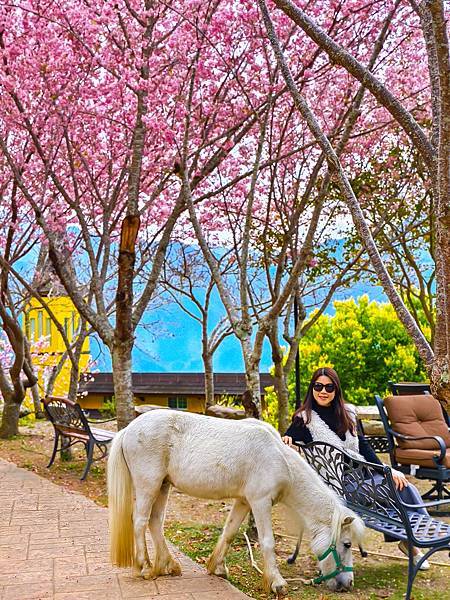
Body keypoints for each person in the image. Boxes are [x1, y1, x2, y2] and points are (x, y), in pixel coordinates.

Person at [282, 366, 430, 570]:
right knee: (395, 493)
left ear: (336, 390)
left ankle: (413, 540)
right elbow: (289, 437)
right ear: (312, 388)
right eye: (318, 386)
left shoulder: (348, 413)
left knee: (404, 487)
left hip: (363, 475)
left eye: (329, 387)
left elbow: (364, 448)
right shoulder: (304, 419)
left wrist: (388, 470)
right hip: (338, 486)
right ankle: (413, 543)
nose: (323, 391)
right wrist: (287, 439)